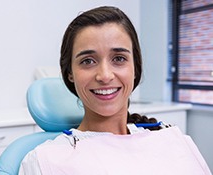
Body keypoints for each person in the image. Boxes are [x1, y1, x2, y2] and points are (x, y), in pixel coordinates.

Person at [19, 6, 211, 175]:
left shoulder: (172, 140)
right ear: (70, 73)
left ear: (135, 67)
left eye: (118, 58)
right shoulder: (44, 161)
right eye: (88, 61)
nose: (105, 75)